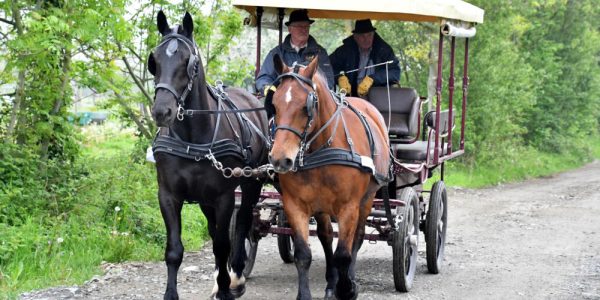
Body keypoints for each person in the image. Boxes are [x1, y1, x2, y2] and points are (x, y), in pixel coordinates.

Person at [256, 9, 335, 96]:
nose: (304, 30)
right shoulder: (277, 53)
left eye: (306, 26)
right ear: (290, 29)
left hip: (312, 103)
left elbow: (329, 80)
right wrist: (268, 88)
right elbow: (263, 78)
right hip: (284, 102)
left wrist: (312, 92)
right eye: (299, 26)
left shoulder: (319, 52)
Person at [329, 19, 400, 97]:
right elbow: (326, 67)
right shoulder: (346, 50)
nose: (366, 39)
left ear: (373, 35)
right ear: (355, 37)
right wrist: (339, 78)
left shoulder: (383, 49)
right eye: (362, 36)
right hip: (352, 96)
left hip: (379, 97)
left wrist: (373, 79)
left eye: (369, 35)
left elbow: (395, 72)